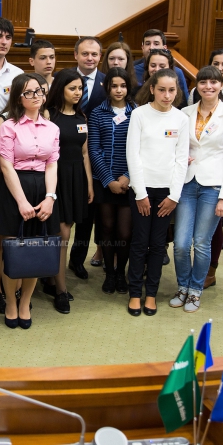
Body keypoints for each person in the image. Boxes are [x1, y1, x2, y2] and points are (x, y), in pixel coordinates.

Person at [0, 73, 60, 329]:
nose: (36, 96)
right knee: (13, 251)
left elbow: (52, 165)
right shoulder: (9, 125)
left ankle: (25, 301)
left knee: (35, 248)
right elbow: (6, 166)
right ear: (18, 96)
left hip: (42, 189)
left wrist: (50, 198)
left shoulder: (53, 128)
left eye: (40, 91)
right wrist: (21, 201)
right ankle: (10, 301)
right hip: (13, 190)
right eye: (29, 92)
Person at [171, 66, 223, 313]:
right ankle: (182, 286)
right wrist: (180, 157)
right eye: (203, 82)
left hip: (214, 186)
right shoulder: (184, 113)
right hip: (186, 184)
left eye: (214, 82)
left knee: (201, 242)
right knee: (180, 243)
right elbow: (174, 144)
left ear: (221, 85)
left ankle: (195, 290)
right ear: (197, 86)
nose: (208, 87)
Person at [125, 69, 189, 317]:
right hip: (142, 189)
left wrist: (174, 196)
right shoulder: (140, 114)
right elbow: (133, 155)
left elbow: (181, 160)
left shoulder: (181, 118)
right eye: (162, 89)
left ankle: (151, 293)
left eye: (172, 90)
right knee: (140, 243)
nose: (167, 95)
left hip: (167, 192)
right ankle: (134, 293)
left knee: (158, 245)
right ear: (152, 88)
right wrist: (140, 193)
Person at [42, 69, 93, 314]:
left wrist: (89, 185)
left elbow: (84, 154)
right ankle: (61, 290)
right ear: (60, 88)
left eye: (80, 88)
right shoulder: (48, 115)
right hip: (55, 178)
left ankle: (52, 280)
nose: (77, 93)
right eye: (72, 88)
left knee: (65, 233)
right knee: (60, 236)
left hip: (76, 180)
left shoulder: (82, 118)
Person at [88, 67, 137, 297]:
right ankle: (109, 273)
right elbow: (94, 149)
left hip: (129, 181)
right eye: (114, 85)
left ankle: (121, 272)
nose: (119, 90)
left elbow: (140, 149)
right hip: (104, 181)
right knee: (106, 229)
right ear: (107, 87)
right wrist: (108, 180)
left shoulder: (137, 113)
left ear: (129, 87)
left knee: (124, 232)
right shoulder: (98, 113)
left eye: (123, 85)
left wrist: (127, 176)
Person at [65, 36, 105, 279]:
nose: (90, 58)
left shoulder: (106, 81)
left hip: (96, 156)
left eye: (94, 54)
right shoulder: (66, 78)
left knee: (86, 216)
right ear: (76, 55)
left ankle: (77, 260)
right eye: (85, 53)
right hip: (68, 152)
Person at [133, 29, 189, 94]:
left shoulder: (177, 72)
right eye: (147, 44)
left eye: (156, 44)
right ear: (143, 48)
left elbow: (184, 101)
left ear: (164, 48)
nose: (151, 47)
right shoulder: (133, 69)